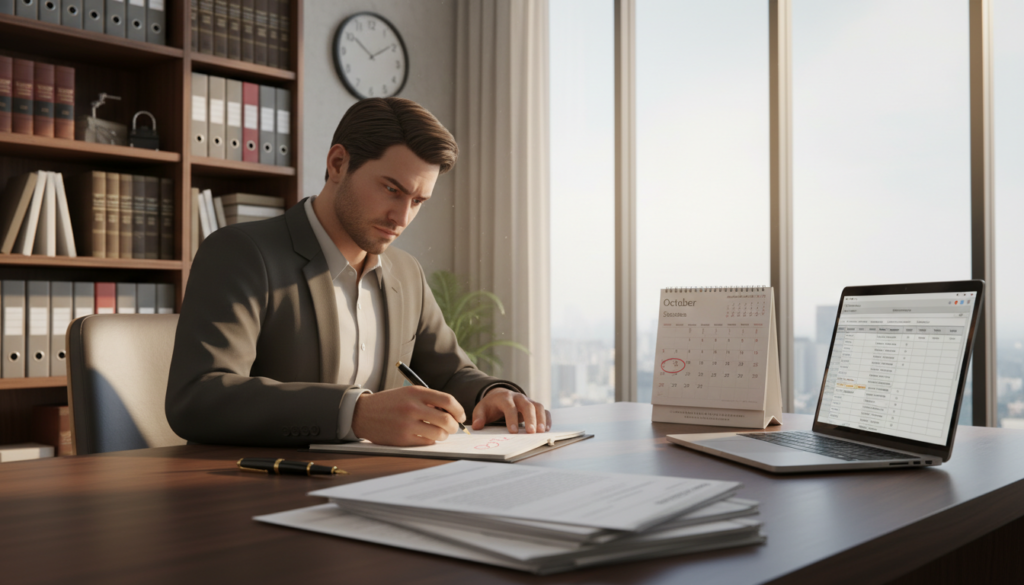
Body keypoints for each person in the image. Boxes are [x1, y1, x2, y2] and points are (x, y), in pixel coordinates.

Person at [165, 97, 550, 447]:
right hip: (258, 490)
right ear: (337, 164)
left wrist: (492, 396)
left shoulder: (406, 273)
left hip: (374, 488)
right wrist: (354, 412)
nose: (402, 218)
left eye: (418, 201)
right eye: (391, 189)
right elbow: (198, 397)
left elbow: (449, 374)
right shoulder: (241, 253)